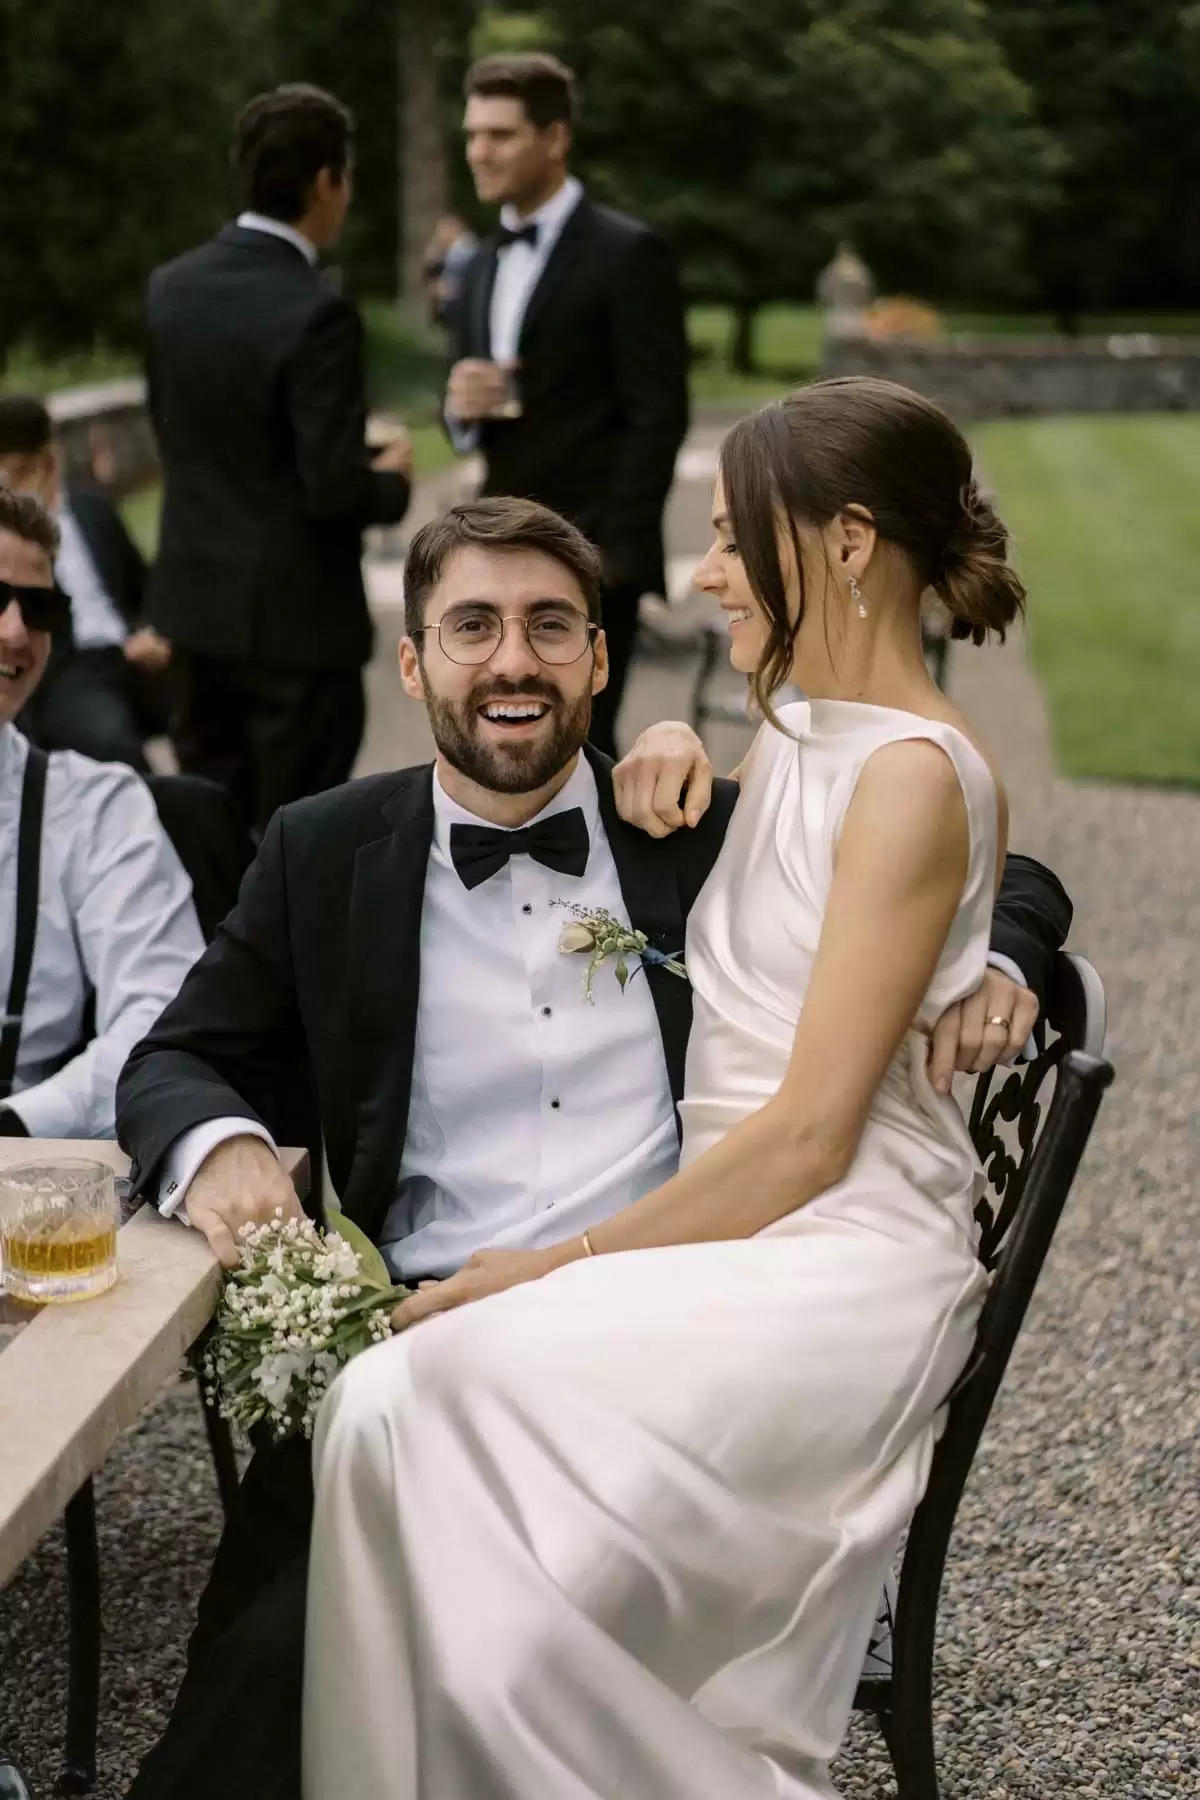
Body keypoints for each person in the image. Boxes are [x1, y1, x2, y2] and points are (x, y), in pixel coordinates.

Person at [115, 486, 1068, 1799]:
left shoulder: (693, 827)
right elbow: (178, 1056)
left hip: (662, 1366)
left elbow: (994, 860)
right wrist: (224, 1148)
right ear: (414, 663)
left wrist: (1003, 959)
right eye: (475, 627)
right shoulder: (323, 851)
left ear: (601, 660)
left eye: (552, 627)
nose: (514, 660)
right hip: (425, 1338)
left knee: (407, 1639)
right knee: (268, 1646)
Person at [145, 83, 413, 840]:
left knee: (211, 830)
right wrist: (390, 480)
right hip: (295, 629)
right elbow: (329, 485)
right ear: (328, 180)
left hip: (195, 610)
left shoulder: (171, 290)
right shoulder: (318, 310)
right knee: (295, 841)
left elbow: (192, 437)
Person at [446, 52, 690, 758]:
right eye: (472, 135)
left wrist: (611, 551)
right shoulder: (480, 262)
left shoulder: (628, 254)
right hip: (495, 546)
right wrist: (461, 408)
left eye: (500, 135)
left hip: (594, 552)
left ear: (555, 138)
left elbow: (658, 413)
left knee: (584, 743)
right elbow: (469, 414)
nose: (479, 152)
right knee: (498, 741)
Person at [0, 486, 204, 1141]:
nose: (14, 631)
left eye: (39, 606)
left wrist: (20, 1120)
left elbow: (161, 1011)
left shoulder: (97, 807)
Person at [0, 394, 171, 772]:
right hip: (71, 672)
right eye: (15, 471)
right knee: (109, 739)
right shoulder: (9, 545)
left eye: (37, 465)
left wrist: (153, 629)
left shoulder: (90, 507)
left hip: (135, 650)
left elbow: (142, 584)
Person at [420, 212, 479, 329]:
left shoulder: (465, 251)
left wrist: (448, 289)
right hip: (453, 316)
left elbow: (470, 284)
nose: (439, 234)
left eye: (442, 230)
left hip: (462, 316)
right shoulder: (450, 251)